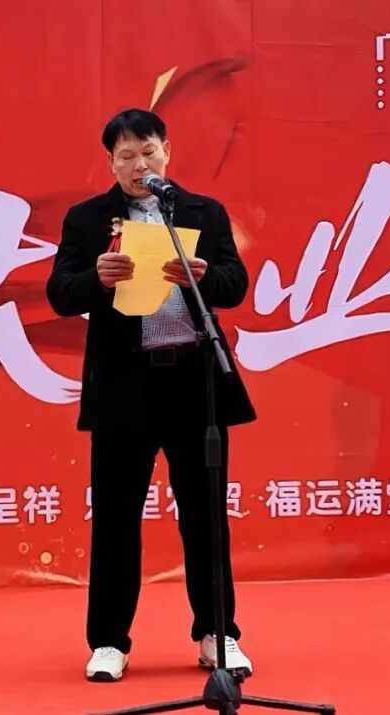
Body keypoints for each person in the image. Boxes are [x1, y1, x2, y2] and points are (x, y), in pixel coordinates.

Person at [45, 109, 257, 682]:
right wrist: (96, 278)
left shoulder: (202, 212)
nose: (140, 165)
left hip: (193, 384)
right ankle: (109, 642)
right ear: (111, 163)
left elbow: (235, 286)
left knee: (206, 518)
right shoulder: (87, 219)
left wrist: (203, 275)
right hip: (124, 386)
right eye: (127, 156)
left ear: (167, 151)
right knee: (116, 519)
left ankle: (217, 634)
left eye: (148, 152)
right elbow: (60, 293)